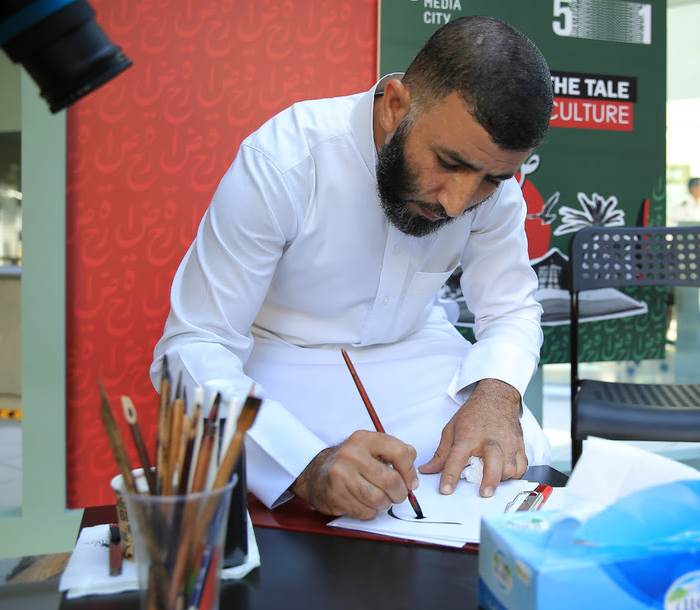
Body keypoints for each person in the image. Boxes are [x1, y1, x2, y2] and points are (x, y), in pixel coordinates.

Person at [150, 16, 553, 520]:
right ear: (395, 106)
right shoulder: (285, 159)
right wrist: (306, 466)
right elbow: (192, 345)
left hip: (413, 350)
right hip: (277, 357)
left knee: (520, 453)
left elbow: (512, 307)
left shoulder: (490, 186)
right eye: (448, 163)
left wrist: (497, 395)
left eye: (492, 179)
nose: (457, 203)